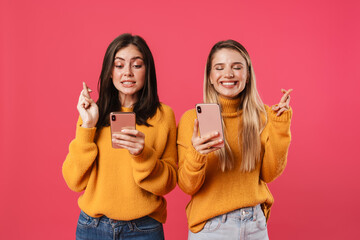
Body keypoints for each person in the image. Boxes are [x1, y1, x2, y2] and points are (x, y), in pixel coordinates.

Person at [62, 33, 177, 240]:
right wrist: (88, 125)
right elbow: (73, 181)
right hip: (92, 227)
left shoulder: (163, 116)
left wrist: (143, 155)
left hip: (145, 228)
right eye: (119, 65)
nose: (128, 73)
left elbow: (168, 184)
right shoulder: (93, 113)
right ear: (109, 72)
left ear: (147, 71)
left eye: (137, 65)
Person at [177, 39, 293, 240]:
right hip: (212, 228)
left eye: (237, 67)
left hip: (255, 224)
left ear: (247, 75)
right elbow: (188, 186)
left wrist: (280, 127)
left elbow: (269, 173)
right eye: (219, 68)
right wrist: (198, 154)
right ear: (210, 77)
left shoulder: (263, 115)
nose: (228, 74)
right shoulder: (192, 120)